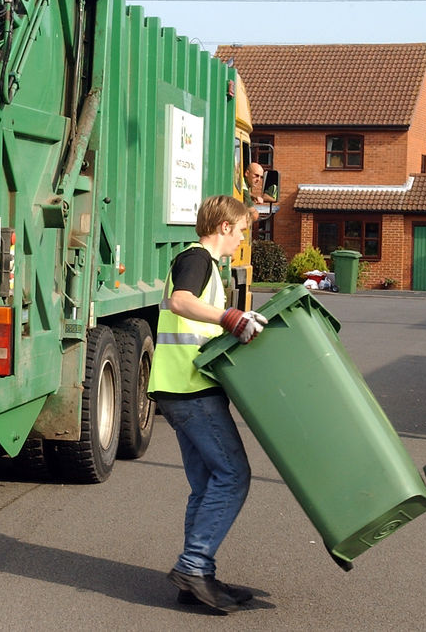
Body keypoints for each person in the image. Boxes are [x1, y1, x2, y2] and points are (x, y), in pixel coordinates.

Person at [148, 194, 267, 614]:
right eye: (240, 231)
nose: (241, 239)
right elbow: (182, 301)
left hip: (181, 388)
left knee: (207, 485)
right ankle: (193, 567)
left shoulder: (208, 266)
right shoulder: (196, 258)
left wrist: (233, 327)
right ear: (223, 228)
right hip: (191, 390)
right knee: (233, 475)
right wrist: (229, 318)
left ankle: (196, 577)